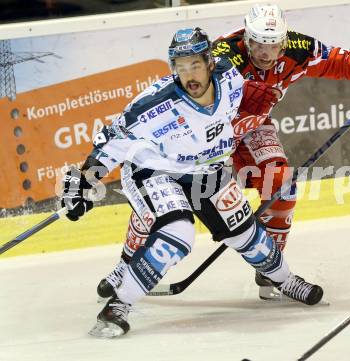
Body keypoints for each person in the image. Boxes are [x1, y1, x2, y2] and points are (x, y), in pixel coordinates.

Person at [97, 3, 350, 301]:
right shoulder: (224, 51)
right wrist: (243, 92)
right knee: (162, 207)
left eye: (272, 45)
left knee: (282, 186)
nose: (264, 53)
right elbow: (207, 83)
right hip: (200, 142)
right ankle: (126, 265)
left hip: (251, 129)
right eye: (258, 44)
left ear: (283, 41)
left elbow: (336, 60)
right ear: (246, 37)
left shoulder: (298, 49)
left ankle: (271, 272)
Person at [61, 27, 324, 337]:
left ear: (210, 62)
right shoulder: (154, 104)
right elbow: (112, 140)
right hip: (154, 172)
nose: (189, 75)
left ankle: (284, 280)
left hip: (207, 170)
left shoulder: (230, 77)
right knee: (179, 233)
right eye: (181, 67)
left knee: (246, 234)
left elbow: (263, 63)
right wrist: (82, 182)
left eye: (195, 65)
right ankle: (117, 306)